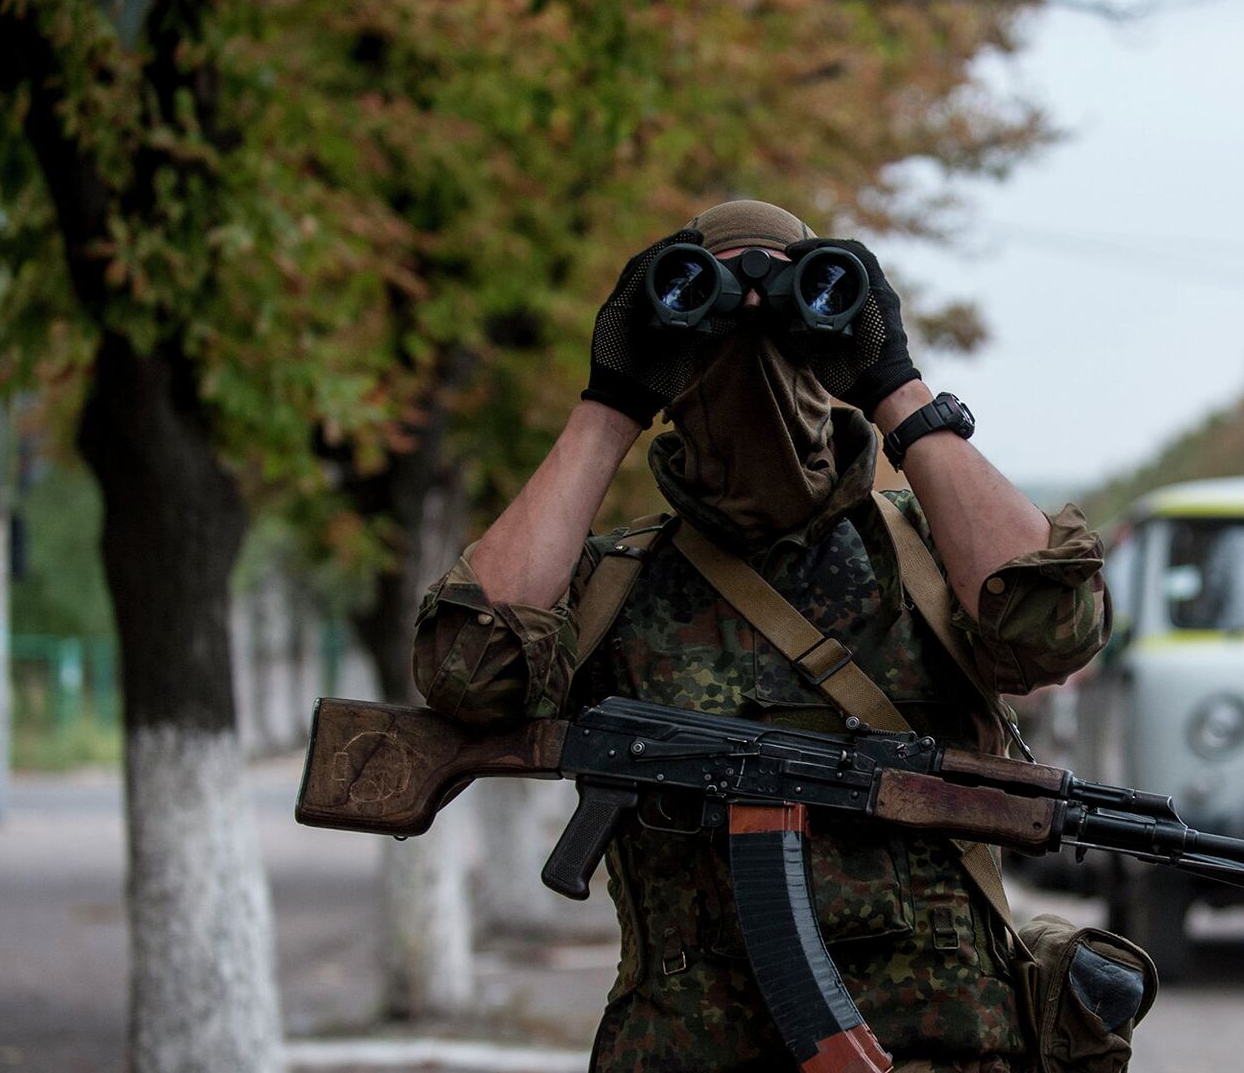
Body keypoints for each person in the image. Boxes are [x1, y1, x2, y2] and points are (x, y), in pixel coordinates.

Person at [410, 200, 1110, 1071]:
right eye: (710, 316)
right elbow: (464, 671)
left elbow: (1056, 628)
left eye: (787, 308)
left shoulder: (932, 557)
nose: (755, 342)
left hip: (945, 1051)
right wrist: (613, 399)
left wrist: (897, 385)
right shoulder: (609, 582)